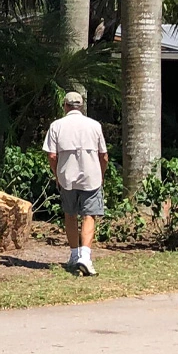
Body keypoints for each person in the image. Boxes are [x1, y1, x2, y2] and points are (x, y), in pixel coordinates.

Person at [43, 90, 108, 276]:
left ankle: (74, 254)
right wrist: (101, 174)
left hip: (67, 178)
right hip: (91, 178)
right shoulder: (94, 125)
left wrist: (57, 174)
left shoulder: (57, 126)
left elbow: (52, 155)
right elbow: (103, 156)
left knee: (70, 215)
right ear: (81, 106)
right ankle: (85, 257)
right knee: (89, 215)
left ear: (65, 106)